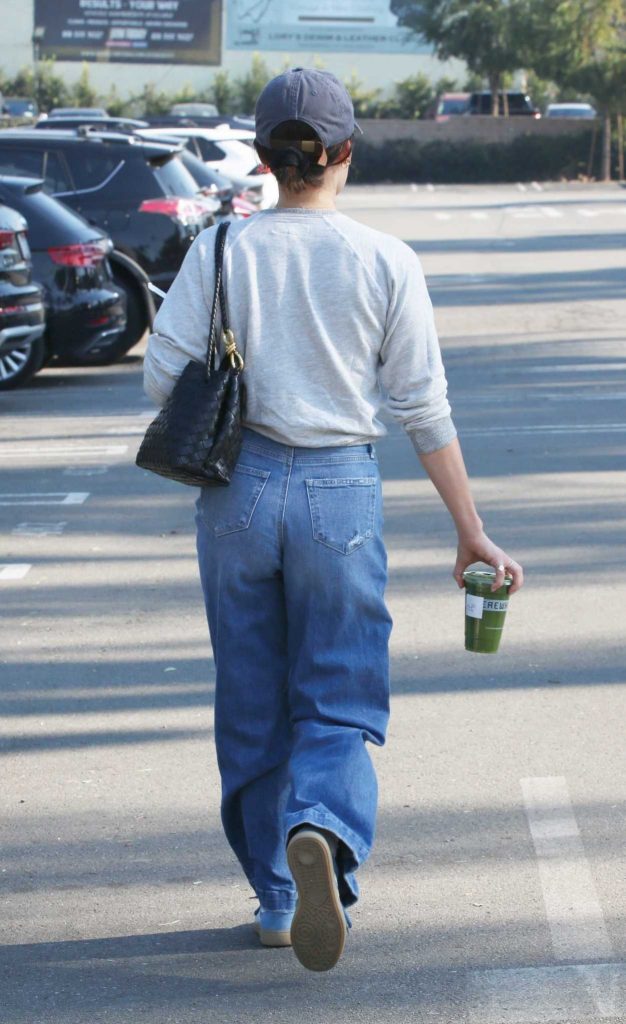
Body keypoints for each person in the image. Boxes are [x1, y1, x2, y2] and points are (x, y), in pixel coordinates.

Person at [143, 67, 524, 973]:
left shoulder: (222, 251)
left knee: (250, 697)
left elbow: (163, 379)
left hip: (236, 490)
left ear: (268, 156)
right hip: (337, 493)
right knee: (339, 693)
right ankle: (323, 827)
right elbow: (423, 408)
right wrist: (470, 529)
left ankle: (278, 896)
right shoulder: (383, 259)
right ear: (345, 152)